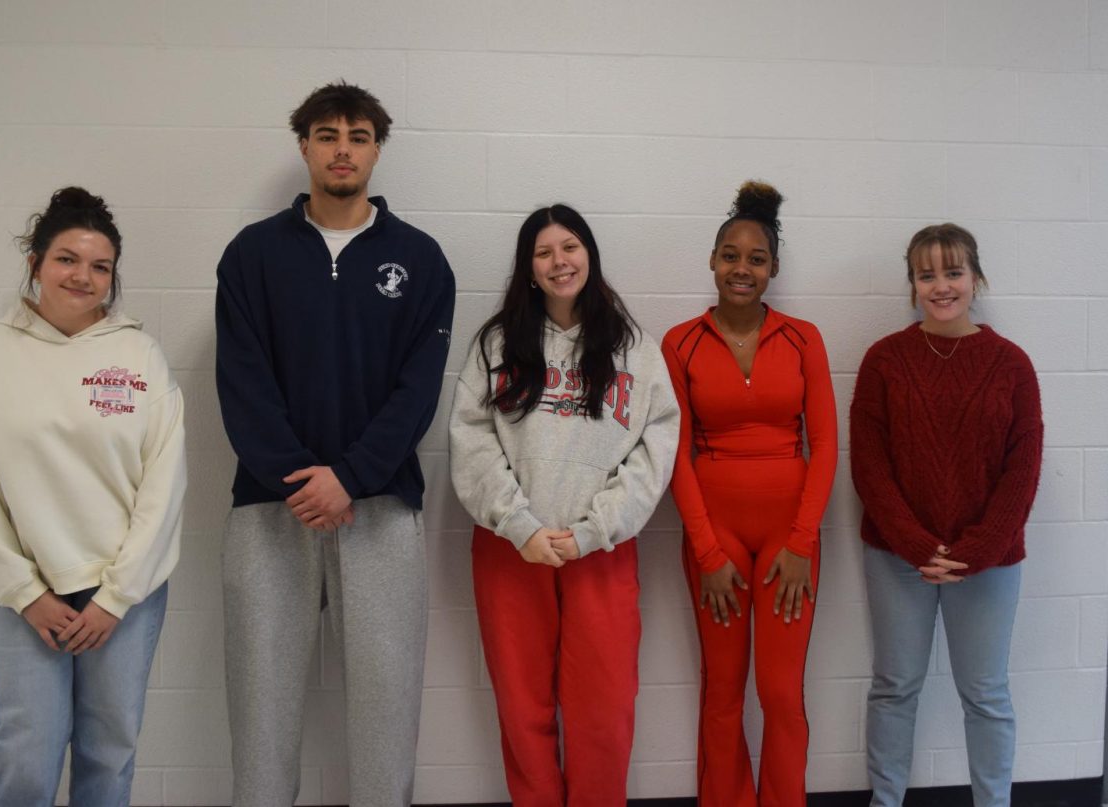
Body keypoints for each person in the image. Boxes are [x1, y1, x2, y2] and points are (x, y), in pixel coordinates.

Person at [214, 81, 455, 807]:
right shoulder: (252, 255)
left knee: (386, 713)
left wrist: (349, 477)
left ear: (377, 148)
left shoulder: (420, 258)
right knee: (261, 713)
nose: (342, 148)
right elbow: (242, 380)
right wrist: (302, 479)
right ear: (304, 147)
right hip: (269, 509)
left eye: (357, 136)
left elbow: (417, 390)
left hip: (379, 508)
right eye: (327, 135)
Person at [0, 187, 186, 807]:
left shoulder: (140, 355)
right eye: (67, 259)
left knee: (110, 753)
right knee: (25, 751)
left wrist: (117, 595)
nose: (83, 276)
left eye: (100, 266)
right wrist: (25, 592)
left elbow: (164, 483)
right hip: (27, 592)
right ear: (36, 264)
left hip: (124, 594)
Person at [449, 204, 679, 806]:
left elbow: (655, 452)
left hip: (599, 551)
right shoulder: (497, 345)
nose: (560, 261)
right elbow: (471, 442)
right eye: (544, 252)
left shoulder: (635, 349)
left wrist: (593, 530)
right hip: (511, 551)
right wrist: (520, 525)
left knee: (602, 715)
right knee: (523, 712)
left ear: (590, 257)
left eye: (570, 247)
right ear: (529, 268)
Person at [851, 224, 1043, 807]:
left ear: (976, 279)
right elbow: (868, 464)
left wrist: (978, 548)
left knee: (985, 693)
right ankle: (885, 801)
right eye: (926, 274)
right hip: (897, 557)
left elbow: (1024, 466)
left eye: (953, 272)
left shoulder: (1012, 365)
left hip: (987, 562)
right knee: (894, 687)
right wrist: (914, 544)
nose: (941, 286)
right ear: (911, 285)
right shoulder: (884, 361)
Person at [661, 181, 838, 807]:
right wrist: (708, 553)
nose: (742, 268)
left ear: (774, 270)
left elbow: (825, 446)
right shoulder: (679, 343)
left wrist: (801, 542)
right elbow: (673, 455)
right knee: (724, 690)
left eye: (756, 259)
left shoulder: (803, 338)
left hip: (791, 540)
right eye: (730, 256)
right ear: (712, 261)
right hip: (718, 542)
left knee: (782, 693)